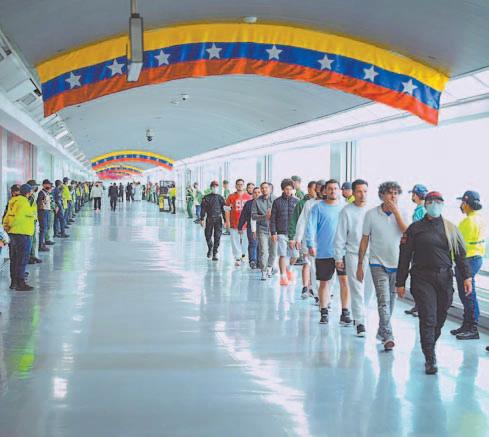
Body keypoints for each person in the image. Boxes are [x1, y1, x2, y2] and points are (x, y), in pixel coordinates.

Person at [396, 191, 471, 374]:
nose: (435, 205)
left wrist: (467, 277)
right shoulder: (414, 229)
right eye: (432, 201)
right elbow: (404, 256)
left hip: (444, 278)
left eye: (439, 202)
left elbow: (460, 256)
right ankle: (430, 357)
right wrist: (400, 282)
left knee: (440, 316)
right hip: (422, 278)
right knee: (428, 317)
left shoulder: (450, 228)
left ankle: (430, 344)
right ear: (426, 204)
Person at [357, 181, 409, 351]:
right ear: (382, 195)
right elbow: (364, 240)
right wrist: (360, 264)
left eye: (396, 193)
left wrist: (396, 213)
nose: (393, 196)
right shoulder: (371, 214)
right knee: (383, 300)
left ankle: (382, 330)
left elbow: (407, 232)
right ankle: (388, 336)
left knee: (391, 300)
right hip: (377, 263)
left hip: (398, 264)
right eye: (389, 193)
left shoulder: (403, 212)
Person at [306, 180, 351, 325]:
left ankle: (345, 312)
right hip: (324, 252)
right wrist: (310, 244)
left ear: (339, 191)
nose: (333, 191)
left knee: (344, 282)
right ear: (325, 191)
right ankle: (324, 311)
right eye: (330, 189)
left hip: (343, 252)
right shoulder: (317, 208)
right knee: (324, 283)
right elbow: (310, 227)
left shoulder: (345, 208)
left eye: (335, 188)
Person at [334, 179, 373, 337]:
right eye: (359, 191)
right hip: (353, 254)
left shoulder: (372, 211)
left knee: (369, 290)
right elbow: (340, 236)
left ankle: (361, 314)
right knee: (357, 289)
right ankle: (360, 322)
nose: (362, 195)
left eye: (365, 191)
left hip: (372, 255)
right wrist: (338, 257)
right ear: (353, 193)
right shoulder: (347, 211)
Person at [451, 190, 486, 341]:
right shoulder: (480, 219)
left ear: (466, 204)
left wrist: (451, 260)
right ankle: (467, 325)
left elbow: (458, 246)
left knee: (467, 294)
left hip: (467, 261)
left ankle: (472, 328)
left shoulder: (467, 222)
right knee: (468, 293)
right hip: (477, 258)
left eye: (462, 202)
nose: (461, 205)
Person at [3, 184, 36, 291]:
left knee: (14, 259)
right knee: (22, 259)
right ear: (28, 192)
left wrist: (7, 227)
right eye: (31, 191)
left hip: (12, 233)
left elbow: (8, 216)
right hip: (23, 233)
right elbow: (23, 218)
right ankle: (20, 283)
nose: (32, 193)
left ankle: (13, 282)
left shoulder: (13, 201)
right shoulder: (23, 202)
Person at [289, 181, 317, 298]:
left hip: (319, 240)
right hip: (307, 238)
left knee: (315, 265)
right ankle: (306, 287)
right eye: (315, 189)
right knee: (307, 262)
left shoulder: (323, 203)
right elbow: (298, 221)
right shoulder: (304, 204)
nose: (317, 191)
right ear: (309, 189)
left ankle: (313, 288)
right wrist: (296, 238)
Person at [405, 184, 429, 317]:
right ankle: (418, 305)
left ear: (417, 195)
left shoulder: (422, 211)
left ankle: (422, 307)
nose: (412, 196)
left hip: (420, 250)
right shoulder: (420, 209)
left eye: (413, 194)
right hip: (416, 248)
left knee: (420, 279)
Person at [270, 178, 298, 286]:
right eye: (286, 189)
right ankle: (283, 277)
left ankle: (289, 268)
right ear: (283, 189)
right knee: (282, 255)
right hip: (281, 232)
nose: (288, 191)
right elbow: (273, 219)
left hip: (293, 234)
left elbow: (300, 219)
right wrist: (273, 233)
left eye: (290, 189)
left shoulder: (296, 201)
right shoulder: (277, 202)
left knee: (295, 255)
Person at [251, 182, 276, 280]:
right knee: (263, 251)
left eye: (266, 187)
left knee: (273, 251)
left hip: (274, 230)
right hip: (262, 229)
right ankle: (264, 271)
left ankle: (269, 267)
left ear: (270, 189)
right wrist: (264, 216)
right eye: (262, 188)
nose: (264, 189)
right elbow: (253, 216)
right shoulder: (256, 201)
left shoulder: (275, 200)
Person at [226, 179, 252, 266]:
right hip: (234, 222)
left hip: (246, 224)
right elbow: (227, 210)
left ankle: (243, 255)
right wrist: (227, 222)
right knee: (235, 241)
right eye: (238, 184)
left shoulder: (249, 197)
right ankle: (237, 257)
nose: (240, 186)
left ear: (244, 186)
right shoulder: (231, 197)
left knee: (246, 241)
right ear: (235, 186)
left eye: (241, 184)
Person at [200, 181, 226, 260]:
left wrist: (225, 220)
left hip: (218, 219)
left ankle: (215, 252)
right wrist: (202, 218)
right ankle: (210, 247)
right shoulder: (206, 198)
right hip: (209, 218)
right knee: (208, 235)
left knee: (217, 236)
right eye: (213, 187)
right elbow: (203, 209)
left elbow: (224, 210)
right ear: (211, 188)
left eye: (216, 187)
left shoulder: (220, 198)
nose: (215, 188)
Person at [238, 187, 261, 269]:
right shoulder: (248, 204)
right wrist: (240, 226)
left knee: (260, 245)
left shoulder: (265, 203)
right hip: (251, 227)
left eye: (258, 192)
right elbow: (243, 216)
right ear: (252, 194)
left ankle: (259, 262)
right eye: (255, 192)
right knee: (253, 243)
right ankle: (252, 261)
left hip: (262, 228)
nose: (257, 194)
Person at [36, 179, 53, 252]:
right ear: (43, 185)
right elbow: (39, 202)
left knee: (45, 228)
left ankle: (43, 243)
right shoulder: (41, 193)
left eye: (49, 184)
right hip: (43, 212)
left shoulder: (47, 192)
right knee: (43, 229)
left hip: (47, 211)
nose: (49, 186)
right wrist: (42, 203)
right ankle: (41, 245)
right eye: (47, 184)